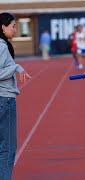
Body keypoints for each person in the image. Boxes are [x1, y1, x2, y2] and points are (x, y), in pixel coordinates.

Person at [0, 12, 31, 180]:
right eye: (12, 26)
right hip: (4, 99)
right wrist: (15, 67)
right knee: (8, 149)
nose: (15, 29)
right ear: (2, 27)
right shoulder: (2, 46)